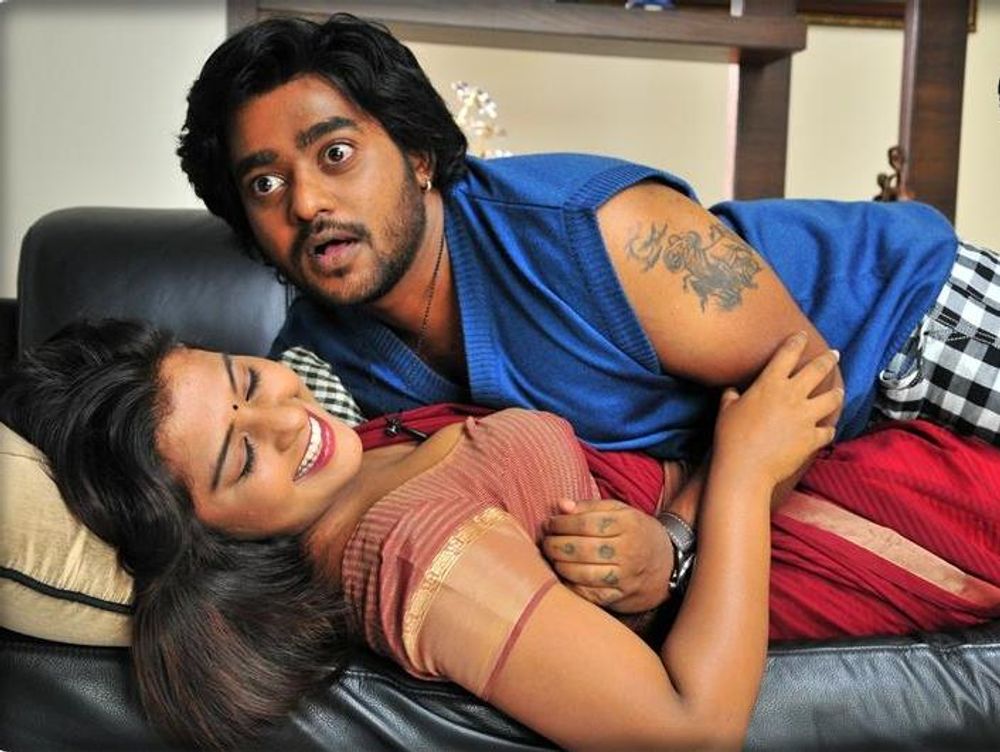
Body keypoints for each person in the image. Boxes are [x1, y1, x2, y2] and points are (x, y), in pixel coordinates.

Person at [176, 14, 1000, 611]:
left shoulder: (593, 229)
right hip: (828, 449)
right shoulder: (317, 358)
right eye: (265, 183)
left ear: (418, 154)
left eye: (336, 153)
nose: (306, 202)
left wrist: (674, 543)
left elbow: (807, 377)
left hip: (913, 321)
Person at [0, 319, 843, 750]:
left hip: (773, 488)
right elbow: (693, 733)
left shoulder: (355, 458)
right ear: (204, 534)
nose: (287, 422)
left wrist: (685, 524)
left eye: (248, 382)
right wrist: (743, 471)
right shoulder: (412, 550)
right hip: (819, 558)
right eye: (241, 456)